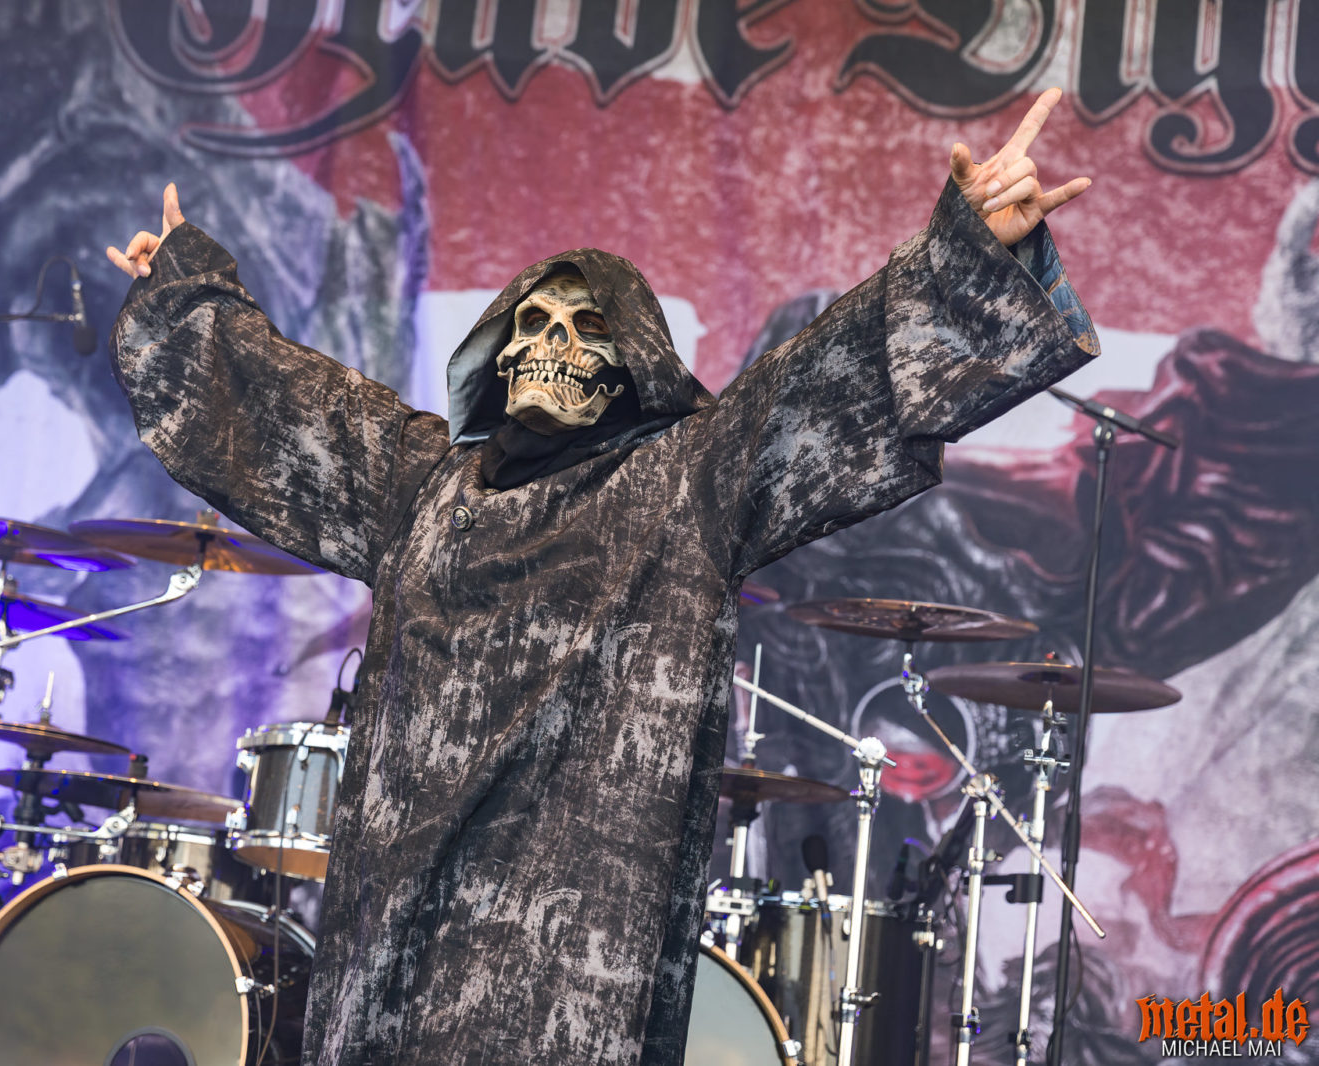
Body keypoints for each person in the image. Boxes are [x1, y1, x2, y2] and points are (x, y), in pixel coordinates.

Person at [105, 88, 1095, 1066]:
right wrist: (182, 292)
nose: (552, 342)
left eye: (585, 326)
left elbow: (835, 380)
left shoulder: (688, 481)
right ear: (499, 354)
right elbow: (280, 403)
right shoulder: (417, 481)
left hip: (576, 975)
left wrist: (969, 255)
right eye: (532, 321)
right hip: (397, 952)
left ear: (634, 365)